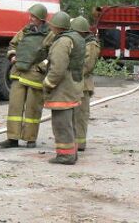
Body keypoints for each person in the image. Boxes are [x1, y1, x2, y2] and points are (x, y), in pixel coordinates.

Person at [0, 3, 53, 149]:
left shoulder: (51, 34)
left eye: (34, 16)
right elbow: (13, 45)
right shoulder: (25, 31)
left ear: (41, 18)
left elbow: (53, 54)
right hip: (18, 73)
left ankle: (30, 138)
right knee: (14, 108)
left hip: (35, 76)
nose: (31, 19)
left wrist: (42, 66)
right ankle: (12, 138)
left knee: (33, 108)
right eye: (30, 16)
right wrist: (13, 57)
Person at [42, 11, 85, 165]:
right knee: (70, 123)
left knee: (61, 124)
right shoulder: (76, 38)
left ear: (57, 26)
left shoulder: (62, 42)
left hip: (62, 90)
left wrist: (48, 83)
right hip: (72, 86)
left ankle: (65, 156)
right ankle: (71, 154)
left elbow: (58, 67)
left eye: (52, 25)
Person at [71, 16, 100, 151]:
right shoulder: (78, 42)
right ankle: (73, 141)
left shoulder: (91, 45)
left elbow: (87, 65)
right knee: (72, 115)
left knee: (81, 115)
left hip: (84, 85)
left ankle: (80, 143)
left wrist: (70, 73)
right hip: (74, 83)